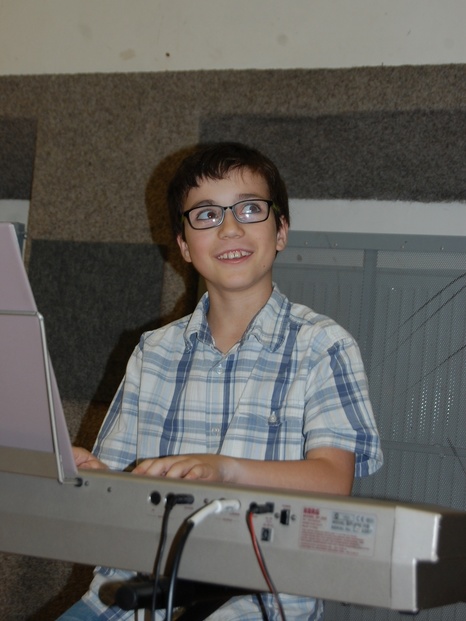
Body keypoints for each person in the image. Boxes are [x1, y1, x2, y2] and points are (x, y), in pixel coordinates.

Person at [58, 142, 383, 621]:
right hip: (131, 594)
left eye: (250, 209)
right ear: (184, 246)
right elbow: (121, 487)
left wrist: (226, 471)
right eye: (207, 215)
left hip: (258, 603)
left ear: (281, 231)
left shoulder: (323, 346)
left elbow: (333, 481)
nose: (230, 228)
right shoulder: (153, 351)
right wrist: (90, 475)